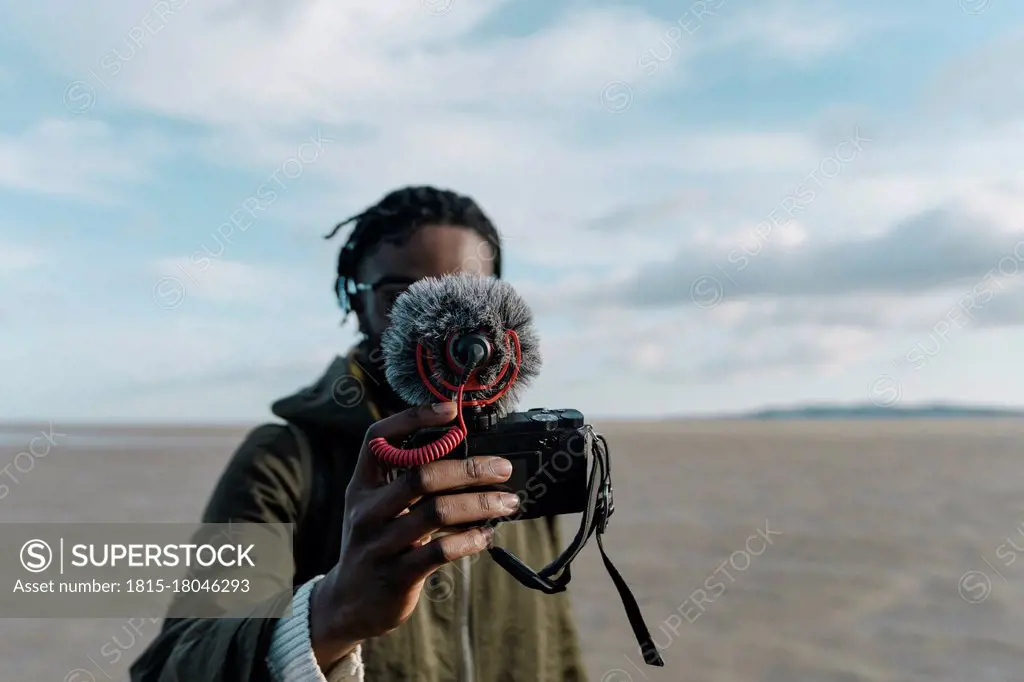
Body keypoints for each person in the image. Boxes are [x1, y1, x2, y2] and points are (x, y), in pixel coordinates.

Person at [130, 186, 588, 681]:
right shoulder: (286, 460)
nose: (442, 329)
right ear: (357, 301)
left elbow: (556, 645)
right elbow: (171, 666)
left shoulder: (519, 453)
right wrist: (330, 615)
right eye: (401, 296)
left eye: (466, 297)